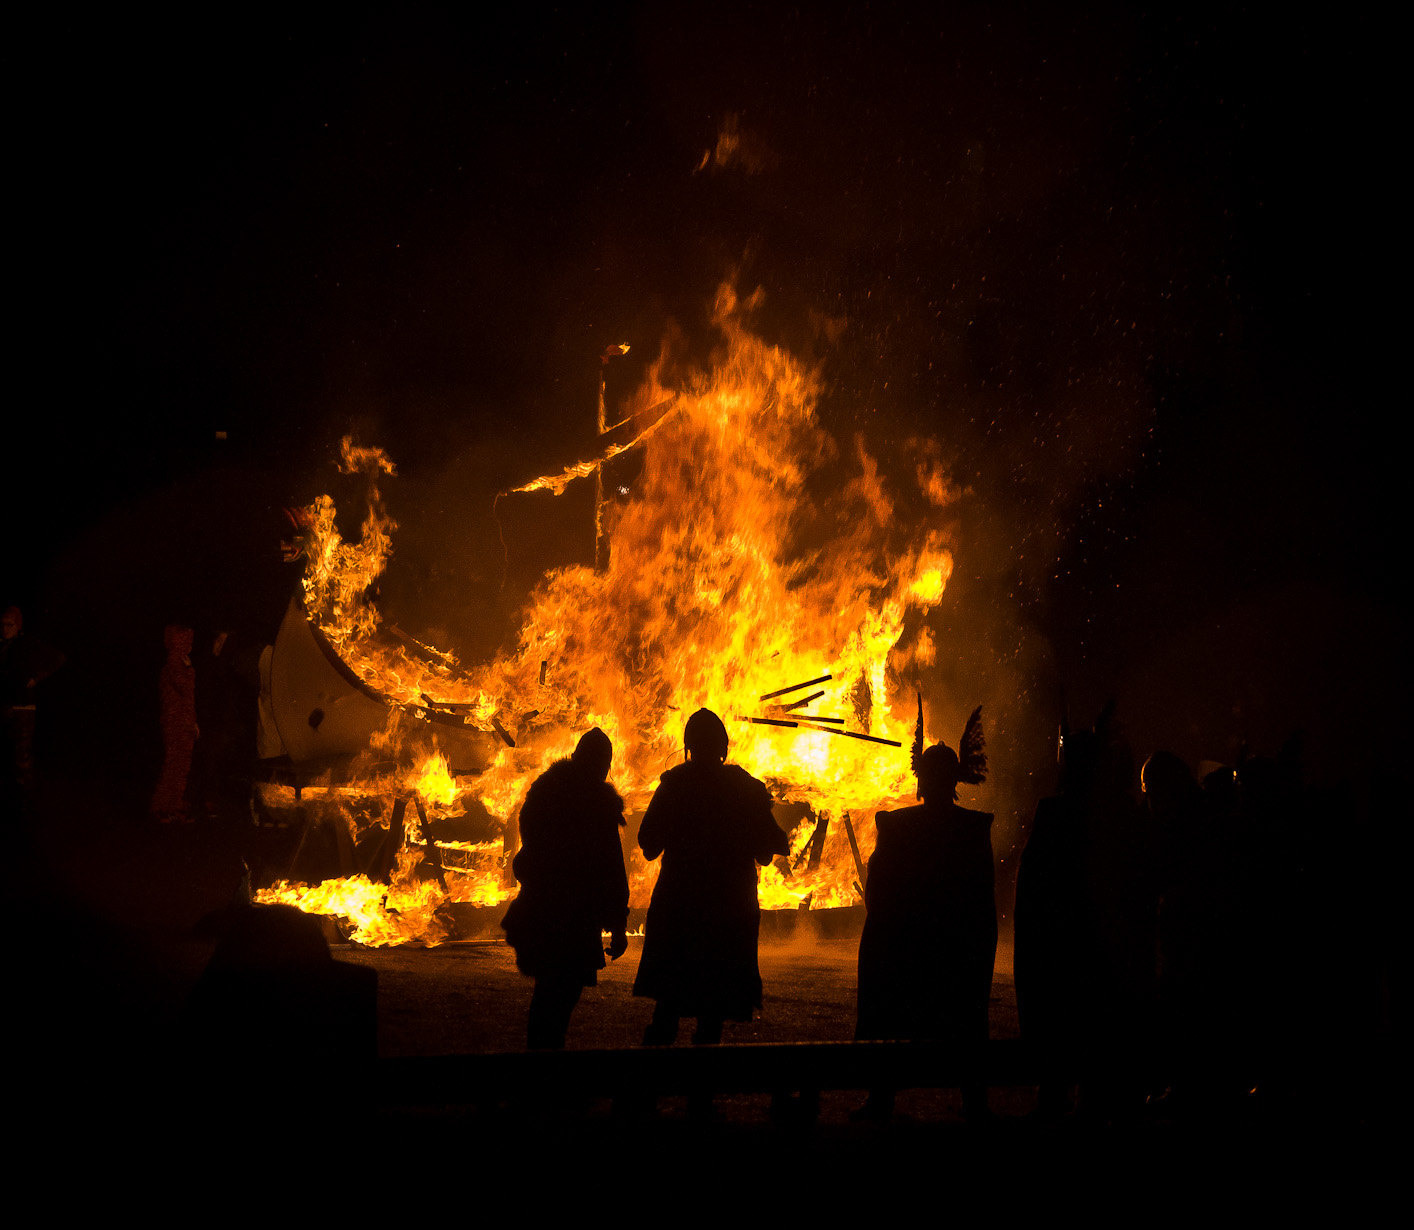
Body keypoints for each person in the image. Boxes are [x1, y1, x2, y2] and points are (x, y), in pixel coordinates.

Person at [855, 701, 996, 1122]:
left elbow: (878, 892)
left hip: (908, 947)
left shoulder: (898, 827)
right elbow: (982, 898)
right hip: (953, 947)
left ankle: (882, 1098)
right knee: (961, 1020)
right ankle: (973, 1102)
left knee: (893, 1019)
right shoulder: (971, 829)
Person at [633, 708, 789, 1049]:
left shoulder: (674, 785)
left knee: (669, 1003)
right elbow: (769, 847)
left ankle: (648, 1075)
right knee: (713, 1009)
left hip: (681, 906)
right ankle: (703, 1078)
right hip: (729, 909)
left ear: (689, 746)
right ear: (723, 747)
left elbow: (648, 844)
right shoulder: (745, 789)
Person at [501, 727, 630, 1049]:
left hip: (542, 908)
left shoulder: (544, 792)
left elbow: (529, 847)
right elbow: (611, 869)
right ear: (603, 765)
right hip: (576, 917)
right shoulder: (599, 804)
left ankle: (540, 1057)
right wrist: (617, 926)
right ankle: (546, 1061)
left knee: (548, 990)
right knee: (561, 994)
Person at [151, 624, 198, 824]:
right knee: (175, 765)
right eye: (187, 641)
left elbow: (188, 698)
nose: (191, 646)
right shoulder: (175, 664)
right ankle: (163, 807)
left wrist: (193, 721)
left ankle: (173, 805)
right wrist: (190, 671)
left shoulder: (177, 662)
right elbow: (184, 688)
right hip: (176, 721)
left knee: (180, 765)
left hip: (182, 720)